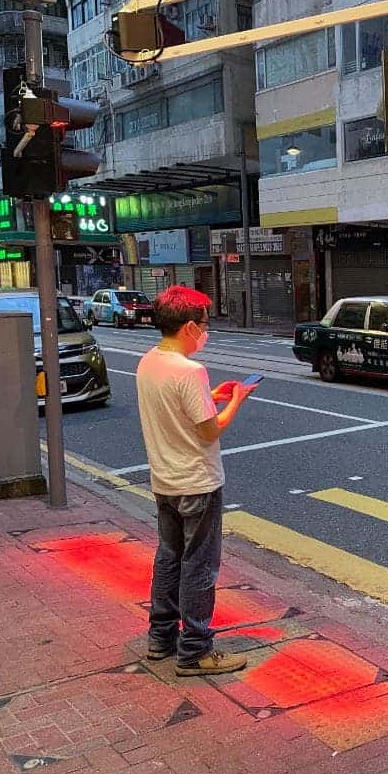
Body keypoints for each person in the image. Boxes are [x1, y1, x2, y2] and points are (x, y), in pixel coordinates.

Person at [135, 285, 256, 676]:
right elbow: (209, 431)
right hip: (198, 483)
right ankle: (195, 651)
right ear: (189, 327)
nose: (206, 331)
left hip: (164, 482)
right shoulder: (190, 371)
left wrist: (212, 395)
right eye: (204, 324)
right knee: (199, 567)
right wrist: (236, 399)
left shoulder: (149, 362)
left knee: (168, 558)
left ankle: (161, 639)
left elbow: (177, 410)